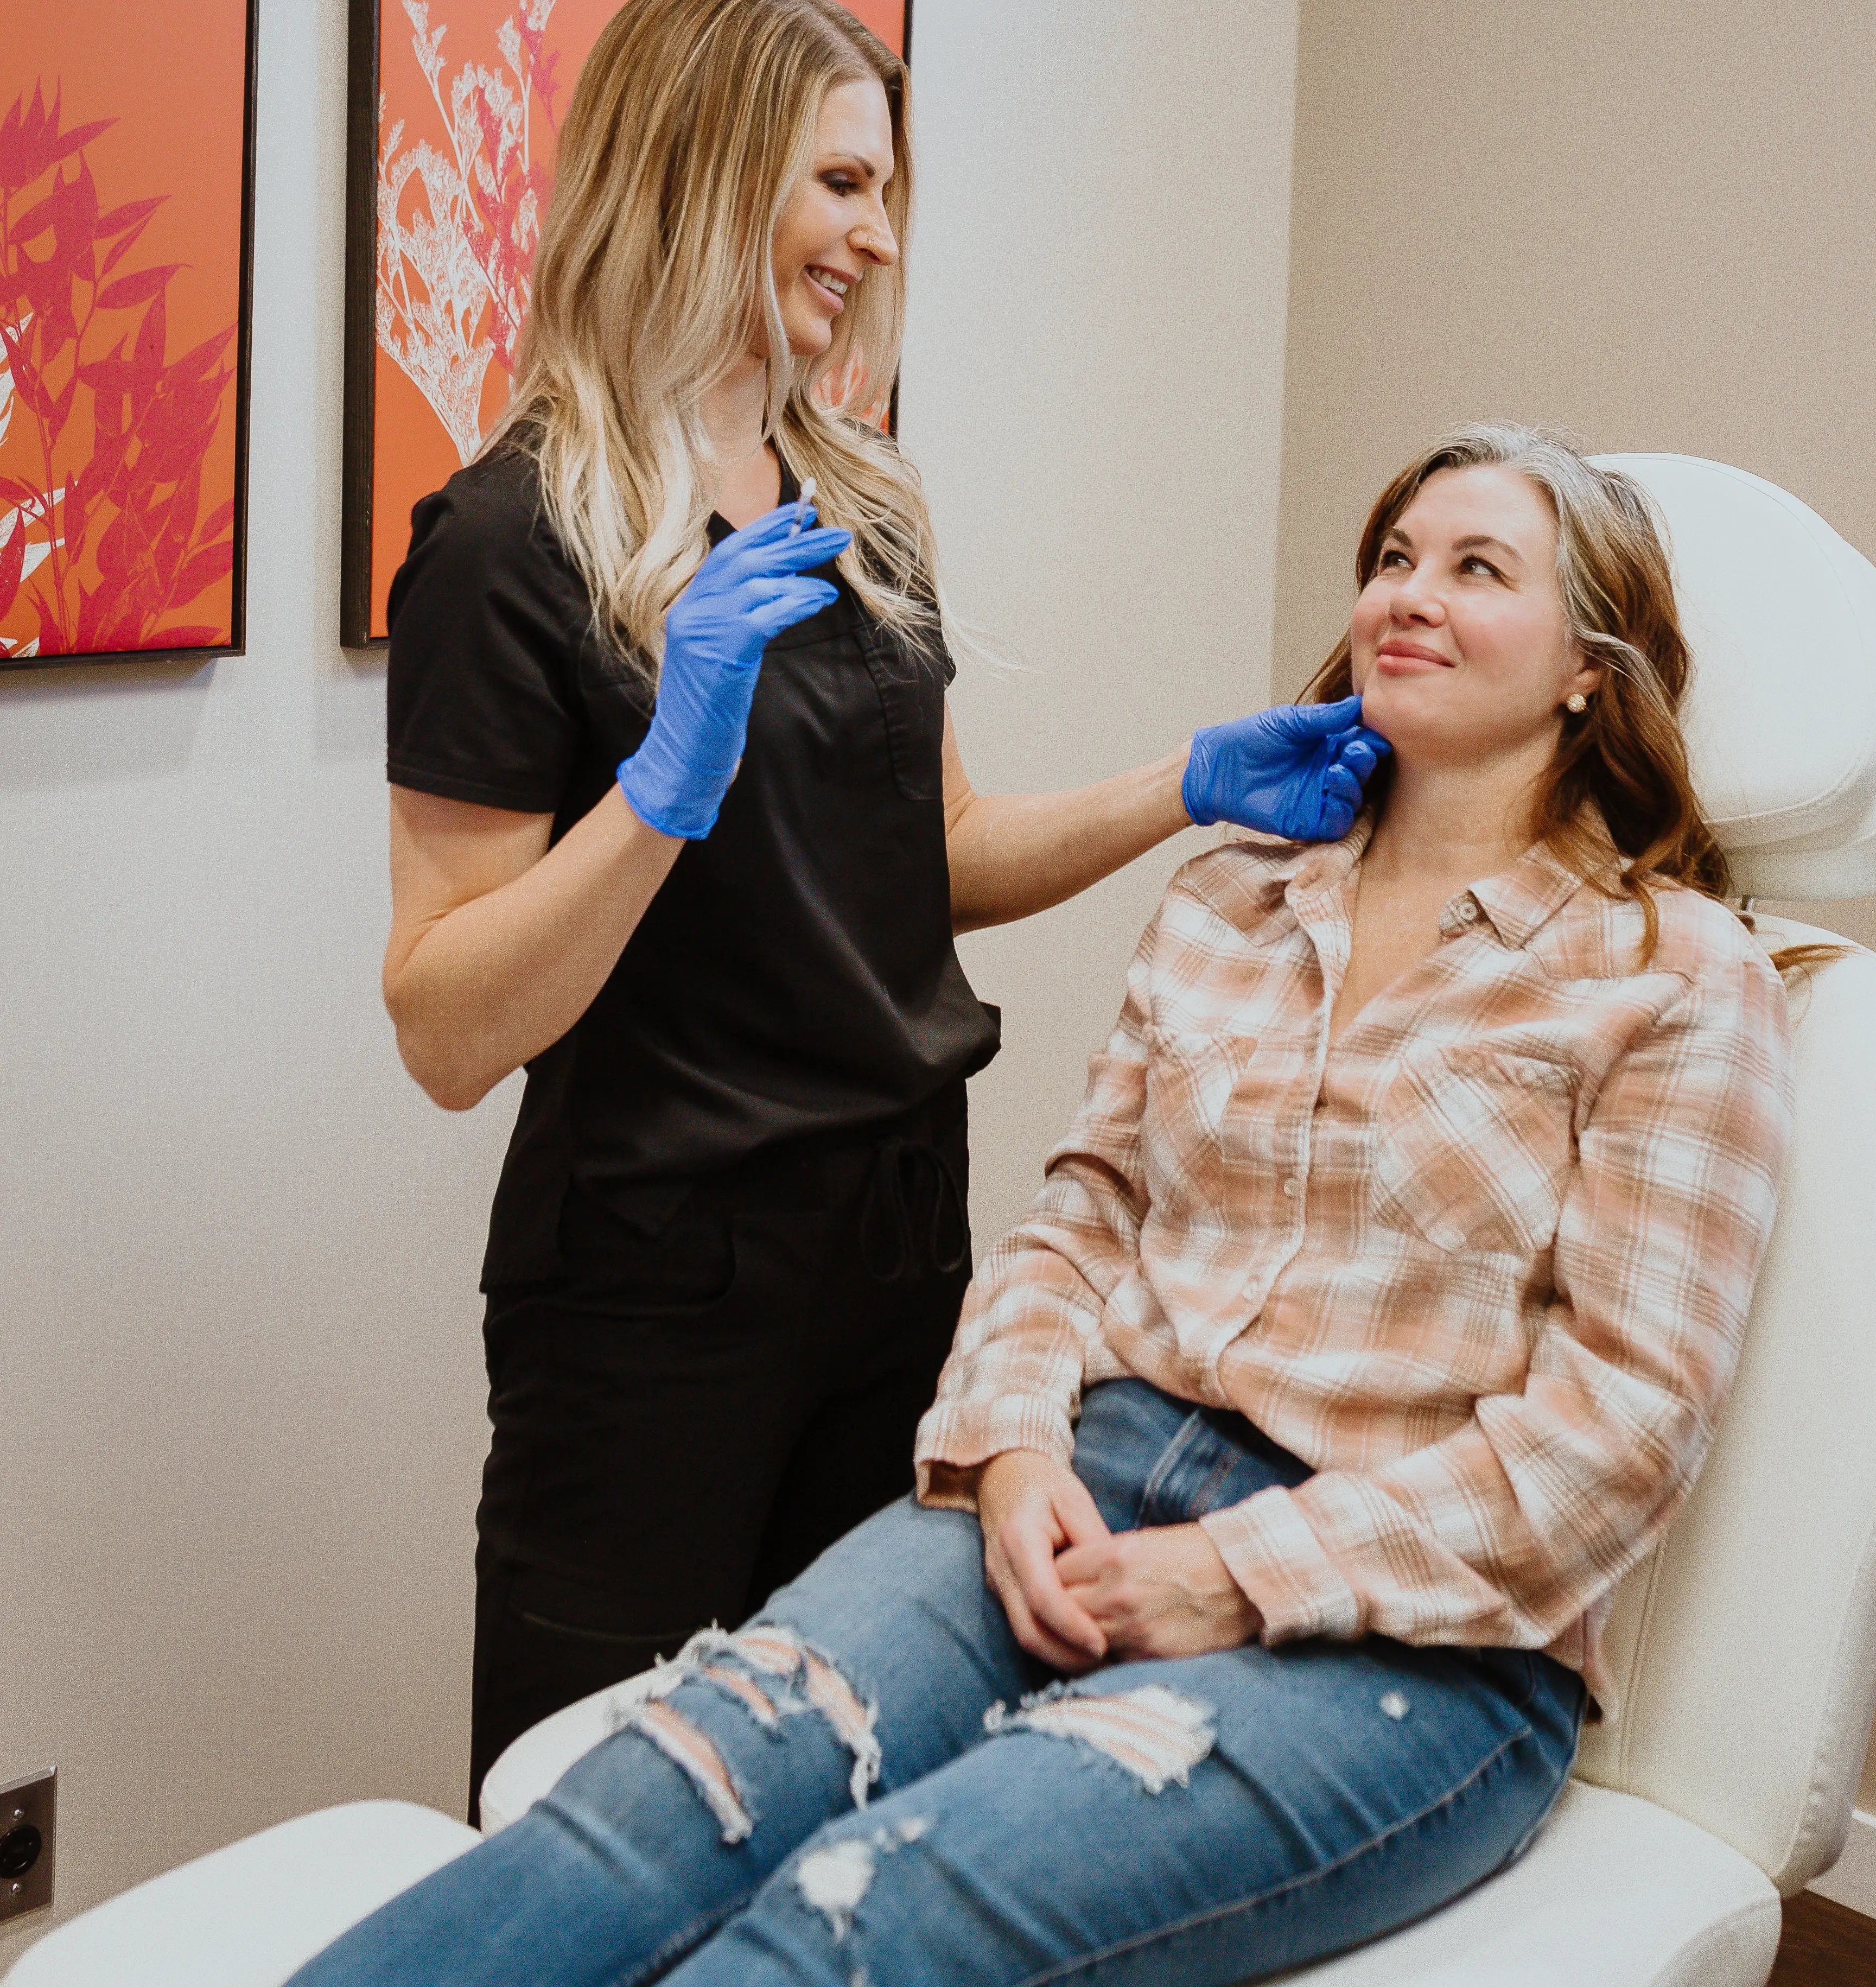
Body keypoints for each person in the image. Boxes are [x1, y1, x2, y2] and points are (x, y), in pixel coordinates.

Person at [302, 423, 1797, 1987]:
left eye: (1478, 569)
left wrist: (1240, 1571)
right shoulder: (1239, 893)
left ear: (1589, 668)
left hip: (1418, 1620)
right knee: (660, 1800)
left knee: (875, 1918)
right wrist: (1012, 1451)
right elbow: (1080, 1217)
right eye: (1394, 559)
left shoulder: (1672, 977)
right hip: (1091, 1478)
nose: (1408, 595)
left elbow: (1621, 1430)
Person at [380, 0, 1384, 1810]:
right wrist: (661, 786)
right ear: (701, 165)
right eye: (839, 180)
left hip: (902, 1242)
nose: (875, 231)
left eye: (884, 188)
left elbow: (926, 863)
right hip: (659, 1287)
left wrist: (1184, 783)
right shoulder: (506, 544)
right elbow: (444, 1022)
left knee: (848, 1778)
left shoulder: (863, 496)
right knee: (601, 1800)